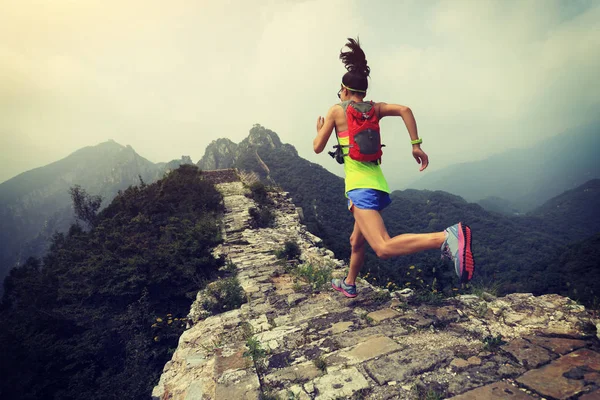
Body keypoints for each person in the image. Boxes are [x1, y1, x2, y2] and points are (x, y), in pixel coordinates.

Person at [313, 37, 474, 298]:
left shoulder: (335, 111)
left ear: (343, 90)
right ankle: (349, 282)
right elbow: (405, 109)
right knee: (356, 241)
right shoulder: (374, 109)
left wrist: (320, 130)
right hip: (378, 187)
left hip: (359, 189)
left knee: (383, 247)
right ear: (362, 93)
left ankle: (446, 237)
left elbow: (318, 148)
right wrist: (416, 145)